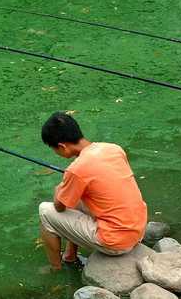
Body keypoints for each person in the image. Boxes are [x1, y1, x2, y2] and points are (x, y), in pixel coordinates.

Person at [38, 112, 147, 271]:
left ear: (62, 146)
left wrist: (58, 191)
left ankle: (55, 268)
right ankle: (70, 255)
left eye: (53, 148)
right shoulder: (113, 149)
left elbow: (59, 207)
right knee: (77, 197)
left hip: (116, 243)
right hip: (138, 230)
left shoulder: (76, 169)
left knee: (44, 211)